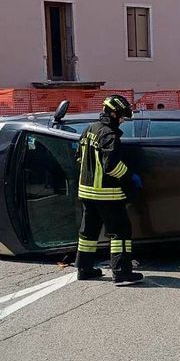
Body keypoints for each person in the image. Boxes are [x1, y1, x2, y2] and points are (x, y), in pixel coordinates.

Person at [75, 95, 144, 286]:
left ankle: (84, 268)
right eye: (121, 116)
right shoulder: (110, 135)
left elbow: (79, 158)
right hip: (107, 193)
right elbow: (111, 166)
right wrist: (130, 177)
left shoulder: (90, 129)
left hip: (86, 192)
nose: (122, 120)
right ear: (113, 113)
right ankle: (122, 272)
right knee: (120, 232)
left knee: (88, 232)